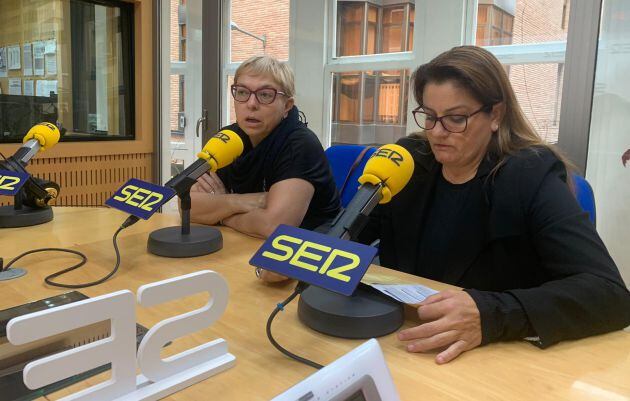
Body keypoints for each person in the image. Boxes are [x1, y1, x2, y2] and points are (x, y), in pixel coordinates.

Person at [358, 46, 630, 364]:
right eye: (429, 117)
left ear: (496, 115)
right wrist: (294, 254)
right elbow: (350, 232)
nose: (436, 133)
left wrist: (491, 314)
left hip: (496, 356)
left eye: (456, 119)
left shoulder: (529, 174)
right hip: (404, 340)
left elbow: (609, 294)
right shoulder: (410, 160)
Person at [190, 56, 341, 281]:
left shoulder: (300, 144)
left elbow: (275, 226)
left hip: (303, 260)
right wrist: (242, 201)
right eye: (242, 92)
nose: (251, 104)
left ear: (287, 106)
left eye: (265, 95)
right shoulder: (229, 138)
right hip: (242, 245)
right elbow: (188, 206)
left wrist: (220, 212)